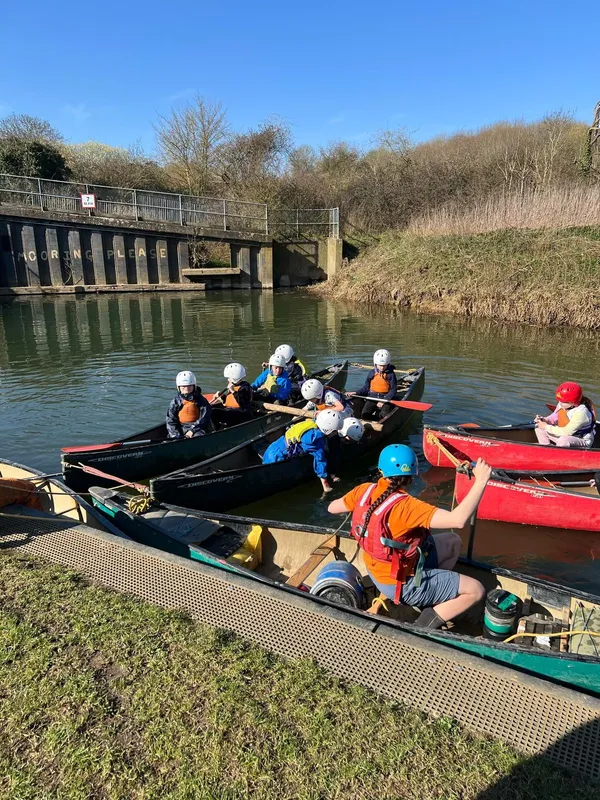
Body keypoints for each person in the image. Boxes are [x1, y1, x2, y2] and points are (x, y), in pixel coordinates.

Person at [327, 444, 489, 628]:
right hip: (401, 584)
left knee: (453, 542)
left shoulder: (364, 491)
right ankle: (421, 627)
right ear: (412, 475)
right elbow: (458, 520)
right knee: (476, 590)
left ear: (381, 471)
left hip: (376, 570)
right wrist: (481, 481)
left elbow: (332, 508)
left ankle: (431, 598)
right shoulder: (408, 507)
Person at [262, 409, 343, 493]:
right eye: (334, 431)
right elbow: (320, 459)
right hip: (277, 456)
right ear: (327, 428)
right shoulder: (314, 439)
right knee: (271, 477)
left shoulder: (313, 424)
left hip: (273, 448)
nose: (335, 433)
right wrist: (325, 485)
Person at [535, 382, 596, 448]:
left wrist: (546, 426)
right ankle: (546, 448)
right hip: (565, 435)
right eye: (559, 400)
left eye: (563, 402)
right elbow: (554, 417)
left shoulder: (581, 413)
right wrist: (545, 420)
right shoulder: (563, 404)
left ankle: (558, 452)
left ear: (573, 402)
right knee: (538, 427)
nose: (560, 403)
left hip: (581, 440)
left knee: (563, 440)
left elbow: (566, 432)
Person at [351, 349, 397, 420]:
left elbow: (393, 390)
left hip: (385, 398)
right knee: (364, 414)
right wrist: (356, 392)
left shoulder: (391, 374)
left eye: (384, 365)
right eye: (380, 365)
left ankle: (380, 419)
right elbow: (366, 388)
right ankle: (372, 420)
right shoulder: (371, 373)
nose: (382, 368)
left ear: (388, 364)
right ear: (375, 364)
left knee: (384, 415)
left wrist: (383, 401)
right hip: (372, 398)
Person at [166, 370, 212, 439]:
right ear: (179, 387)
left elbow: (204, 418)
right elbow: (171, 420)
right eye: (183, 386)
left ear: (194, 386)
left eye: (189, 385)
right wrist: (175, 435)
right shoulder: (175, 402)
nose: (186, 388)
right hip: (182, 427)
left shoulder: (201, 400)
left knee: (198, 437)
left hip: (198, 428)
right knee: (170, 437)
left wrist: (192, 431)